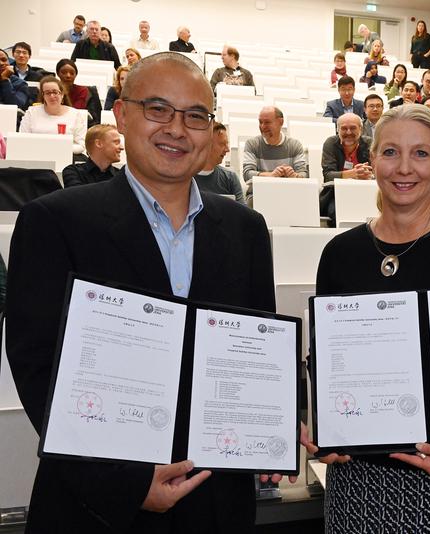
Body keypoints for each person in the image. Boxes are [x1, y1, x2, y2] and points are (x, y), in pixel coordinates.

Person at [7, 51, 286, 534]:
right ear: (121, 114)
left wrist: (271, 429)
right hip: (97, 507)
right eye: (158, 109)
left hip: (217, 502)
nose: (177, 129)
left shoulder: (247, 229)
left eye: (196, 116)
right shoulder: (55, 221)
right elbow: (38, 371)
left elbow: (258, 353)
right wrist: (125, 485)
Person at [306, 104, 430, 533]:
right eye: (390, 152)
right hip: (358, 482)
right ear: (372, 158)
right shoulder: (340, 254)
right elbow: (327, 363)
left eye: (420, 154)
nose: (403, 168)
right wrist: (328, 432)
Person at [242, 106, 308, 201]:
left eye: (267, 122)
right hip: (260, 194)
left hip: (288, 194)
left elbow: (304, 174)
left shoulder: (295, 145)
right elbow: (247, 174)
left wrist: (294, 176)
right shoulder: (252, 144)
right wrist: (271, 176)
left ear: (280, 122)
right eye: (260, 122)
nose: (263, 126)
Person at [19, 76, 86, 155]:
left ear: (62, 94)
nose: (52, 96)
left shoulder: (75, 114)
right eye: (47, 93)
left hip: (66, 156)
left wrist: (57, 149)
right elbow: (22, 139)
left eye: (55, 92)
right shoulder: (31, 112)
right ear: (43, 96)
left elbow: (81, 145)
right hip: (35, 155)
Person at [195, 122, 244, 203]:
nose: (227, 149)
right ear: (206, 145)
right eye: (222, 144)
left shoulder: (230, 178)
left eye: (227, 144)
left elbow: (243, 213)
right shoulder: (184, 177)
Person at [321, 113, 372, 182]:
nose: (348, 132)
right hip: (336, 189)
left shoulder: (369, 143)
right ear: (337, 130)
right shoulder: (331, 143)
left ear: (361, 129)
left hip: (365, 187)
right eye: (344, 128)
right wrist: (353, 173)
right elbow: (328, 176)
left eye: (353, 128)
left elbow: (377, 171)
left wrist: (368, 174)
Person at [56, 58, 101, 127]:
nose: (68, 75)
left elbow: (76, 111)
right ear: (58, 74)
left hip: (79, 125)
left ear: (75, 75)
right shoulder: (52, 91)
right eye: (64, 72)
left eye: (72, 73)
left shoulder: (83, 91)